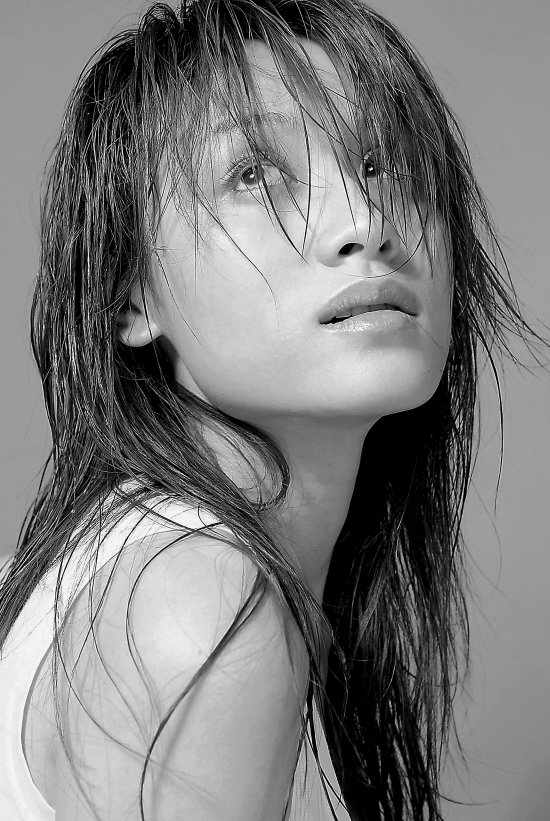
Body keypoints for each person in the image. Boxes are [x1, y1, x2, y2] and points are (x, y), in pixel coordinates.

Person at [0, 1, 547, 819]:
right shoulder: (208, 602)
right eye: (254, 174)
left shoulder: (135, 557)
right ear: (129, 296)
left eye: (381, 163)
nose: (365, 223)